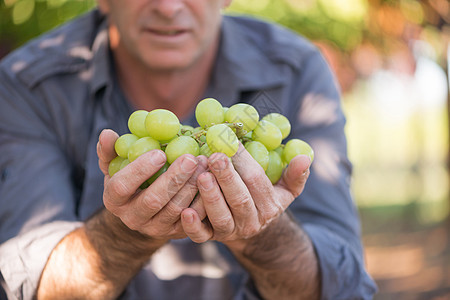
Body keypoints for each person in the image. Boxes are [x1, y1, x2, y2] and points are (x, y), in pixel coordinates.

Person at [0, 0, 377, 299]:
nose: (167, 6)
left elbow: (339, 287)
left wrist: (262, 235)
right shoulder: (26, 87)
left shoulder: (297, 73)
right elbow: (27, 287)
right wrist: (127, 233)